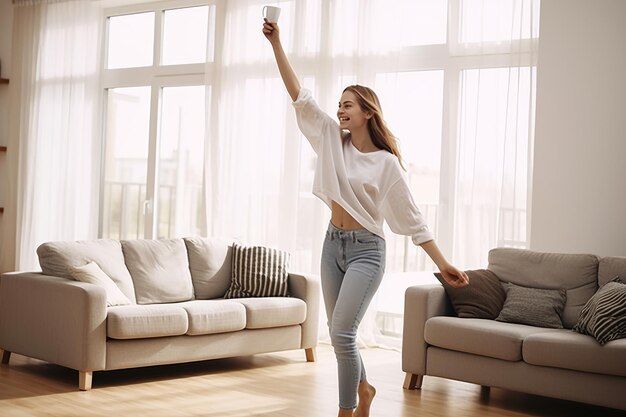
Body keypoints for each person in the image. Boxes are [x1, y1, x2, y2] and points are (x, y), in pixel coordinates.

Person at [262, 19, 470, 417]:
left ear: (367, 113)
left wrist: (443, 265)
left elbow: (412, 220)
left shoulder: (385, 164)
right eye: (339, 103)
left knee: (341, 332)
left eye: (348, 104)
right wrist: (277, 44)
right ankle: (365, 390)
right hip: (331, 246)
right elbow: (299, 96)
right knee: (342, 336)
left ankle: (347, 410)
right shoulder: (330, 137)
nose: (339, 109)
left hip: (366, 253)